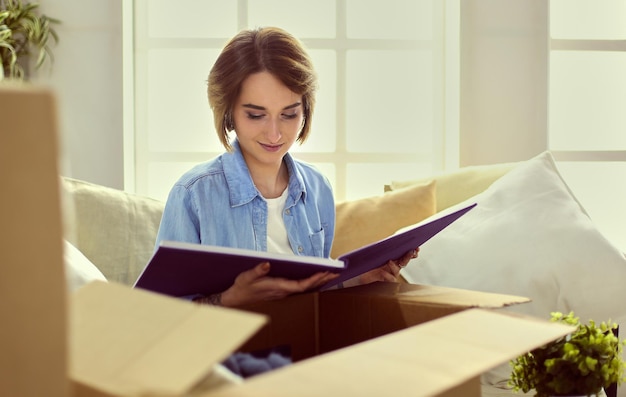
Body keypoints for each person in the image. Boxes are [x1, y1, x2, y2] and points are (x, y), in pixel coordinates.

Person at [154, 26, 418, 309]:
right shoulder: (193, 195)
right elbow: (160, 315)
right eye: (256, 115)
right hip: (232, 351)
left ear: (305, 110)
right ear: (228, 112)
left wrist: (355, 281)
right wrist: (231, 300)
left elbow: (313, 295)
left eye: (289, 114)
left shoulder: (317, 189)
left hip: (305, 347)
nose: (275, 134)